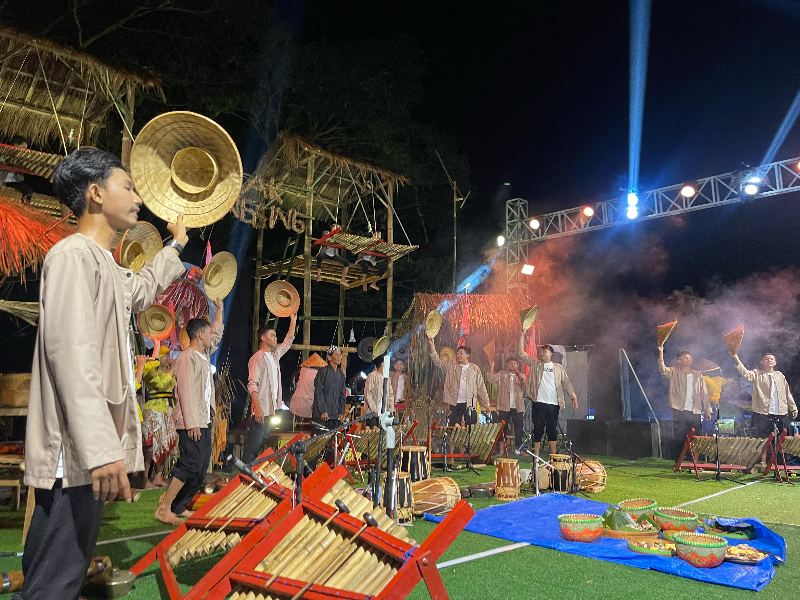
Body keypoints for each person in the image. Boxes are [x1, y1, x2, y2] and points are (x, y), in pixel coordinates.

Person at [20, 148, 186, 600]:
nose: (137, 197)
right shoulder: (73, 256)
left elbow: (140, 289)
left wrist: (177, 245)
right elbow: (71, 356)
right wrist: (101, 449)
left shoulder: (103, 263)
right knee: (54, 583)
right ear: (95, 194)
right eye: (127, 186)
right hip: (75, 455)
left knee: (52, 576)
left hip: (84, 454)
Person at [155, 304, 224, 526]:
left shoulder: (203, 355)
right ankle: (164, 507)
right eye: (209, 333)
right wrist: (193, 422)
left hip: (202, 419)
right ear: (200, 335)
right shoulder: (187, 357)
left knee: (201, 465)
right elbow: (185, 391)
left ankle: (179, 505)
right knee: (190, 464)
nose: (212, 336)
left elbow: (218, 333)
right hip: (190, 421)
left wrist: (220, 308)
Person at [243, 310, 297, 463]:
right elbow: (252, 384)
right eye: (272, 335)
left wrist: (292, 321)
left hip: (271, 409)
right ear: (263, 338)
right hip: (261, 409)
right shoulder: (257, 358)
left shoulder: (274, 355)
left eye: (275, 335)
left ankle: (253, 474)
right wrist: (257, 407)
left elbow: (287, 342)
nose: (275, 338)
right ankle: (245, 473)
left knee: (262, 443)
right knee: (254, 445)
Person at [731, 351, 798, 467]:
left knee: (780, 439)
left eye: (772, 359)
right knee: (764, 439)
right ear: (762, 362)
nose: (769, 360)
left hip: (780, 412)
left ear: (775, 362)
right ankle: (763, 462)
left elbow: (787, 393)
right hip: (763, 411)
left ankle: (778, 463)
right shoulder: (757, 373)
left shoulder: (780, 375)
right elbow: (746, 374)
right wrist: (736, 358)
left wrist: (793, 407)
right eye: (767, 359)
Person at [517, 340, 578, 458]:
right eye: (540, 352)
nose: (541, 354)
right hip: (539, 402)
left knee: (552, 429)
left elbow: (566, 383)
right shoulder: (536, 365)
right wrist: (521, 336)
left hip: (553, 403)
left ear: (551, 354)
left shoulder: (558, 367)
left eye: (544, 352)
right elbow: (521, 354)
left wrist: (573, 397)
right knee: (538, 429)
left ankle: (553, 456)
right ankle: (536, 456)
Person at [658, 345, 712, 459]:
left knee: (697, 438)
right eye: (686, 358)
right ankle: (680, 462)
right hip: (680, 410)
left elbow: (704, 393)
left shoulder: (698, 375)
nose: (689, 359)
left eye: (690, 357)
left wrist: (707, 410)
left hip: (695, 410)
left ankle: (695, 464)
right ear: (679, 360)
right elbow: (662, 368)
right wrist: (661, 352)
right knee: (680, 437)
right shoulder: (674, 372)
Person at [428, 338, 489, 428]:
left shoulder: (474, 369)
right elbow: (438, 362)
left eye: (461, 353)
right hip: (455, 403)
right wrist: (432, 346)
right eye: (457, 353)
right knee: (454, 429)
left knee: (469, 430)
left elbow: (481, 387)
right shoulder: (452, 366)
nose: (458, 355)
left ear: (467, 355)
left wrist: (486, 404)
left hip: (470, 404)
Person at [140, 346, 178, 488]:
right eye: (165, 356)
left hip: (167, 411)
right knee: (149, 447)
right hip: (153, 412)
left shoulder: (169, 372)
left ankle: (157, 477)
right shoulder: (150, 372)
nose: (169, 358)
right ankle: (144, 479)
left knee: (165, 444)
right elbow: (161, 384)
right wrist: (172, 369)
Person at [487, 356, 527, 455]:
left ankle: (519, 449)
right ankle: (501, 449)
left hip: (517, 407)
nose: (512, 365)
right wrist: (492, 367)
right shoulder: (502, 374)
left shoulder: (521, 375)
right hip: (504, 406)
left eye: (514, 363)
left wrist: (518, 374)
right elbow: (491, 379)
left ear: (517, 365)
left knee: (519, 428)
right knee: (502, 428)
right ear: (507, 365)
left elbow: (525, 384)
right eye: (510, 363)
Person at [312, 345, 347, 456]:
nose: (339, 357)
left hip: (334, 415)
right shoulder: (323, 371)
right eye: (336, 354)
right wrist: (323, 410)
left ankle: (329, 469)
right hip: (322, 415)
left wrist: (341, 412)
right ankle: (310, 470)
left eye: (340, 354)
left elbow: (342, 394)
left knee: (332, 445)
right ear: (329, 357)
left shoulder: (341, 374)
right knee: (318, 443)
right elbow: (318, 392)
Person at [3, 136, 34, 203]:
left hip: (15, 182)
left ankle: (25, 207)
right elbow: (3, 161)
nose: (25, 150)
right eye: (23, 148)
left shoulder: (22, 159)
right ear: (15, 145)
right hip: (3, 180)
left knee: (28, 190)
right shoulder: (3, 153)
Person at [364, 358, 394, 429]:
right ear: (382, 364)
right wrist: (375, 409)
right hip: (373, 413)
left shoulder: (388, 378)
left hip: (385, 413)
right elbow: (368, 394)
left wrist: (391, 410)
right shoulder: (372, 376)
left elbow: (391, 395)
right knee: (373, 433)